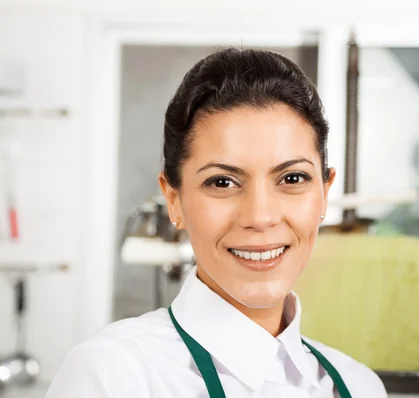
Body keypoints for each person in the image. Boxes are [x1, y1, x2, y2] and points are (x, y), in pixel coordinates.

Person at [45, 48, 388, 398]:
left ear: (324, 194)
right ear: (174, 200)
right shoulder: (115, 374)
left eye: (292, 178)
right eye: (222, 182)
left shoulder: (358, 385)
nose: (259, 217)